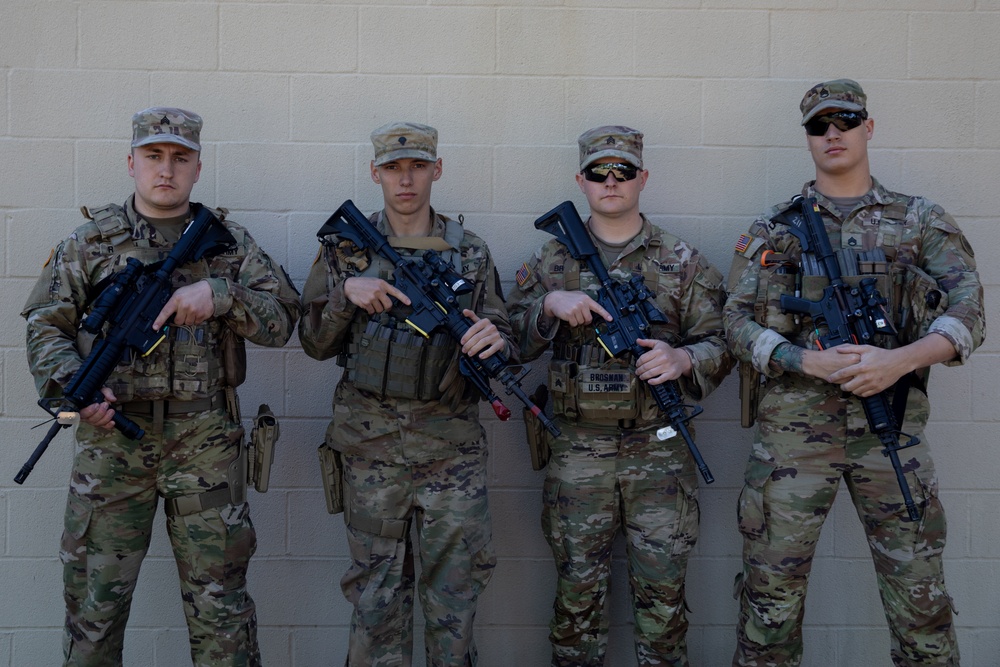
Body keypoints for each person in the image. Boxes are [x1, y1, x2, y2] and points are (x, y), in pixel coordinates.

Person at [21, 107, 302, 666]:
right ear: (131, 163)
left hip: (206, 443)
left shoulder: (230, 243)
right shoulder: (89, 242)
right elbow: (45, 323)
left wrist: (222, 296)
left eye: (180, 158)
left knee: (221, 617)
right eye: (153, 156)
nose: (166, 170)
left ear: (198, 166)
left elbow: (285, 319)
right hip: (110, 449)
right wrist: (76, 389)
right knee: (93, 617)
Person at [724, 79, 985, 666]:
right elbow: (734, 321)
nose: (832, 133)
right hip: (792, 443)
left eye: (844, 120)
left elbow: (970, 310)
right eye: (818, 125)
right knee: (769, 611)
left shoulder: (917, 220)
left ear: (868, 127)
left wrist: (901, 360)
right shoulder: (773, 228)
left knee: (923, 609)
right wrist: (802, 358)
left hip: (891, 437)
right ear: (809, 138)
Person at [507, 126, 732, 666]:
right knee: (576, 602)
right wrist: (549, 306)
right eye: (599, 172)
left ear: (642, 178)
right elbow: (505, 338)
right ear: (580, 181)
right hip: (577, 453)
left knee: (663, 603)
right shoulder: (550, 261)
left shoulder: (683, 261)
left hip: (659, 451)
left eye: (624, 171)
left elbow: (726, 340)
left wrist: (683, 360)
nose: (611, 182)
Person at [299, 121, 514, 666]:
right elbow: (313, 341)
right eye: (393, 169)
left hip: (452, 450)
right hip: (371, 451)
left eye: (418, 166)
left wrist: (495, 339)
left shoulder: (469, 251)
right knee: (376, 602)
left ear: (436, 169)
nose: (406, 180)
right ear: (375, 174)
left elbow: (501, 335)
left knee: (455, 600)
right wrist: (347, 292)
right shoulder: (343, 250)